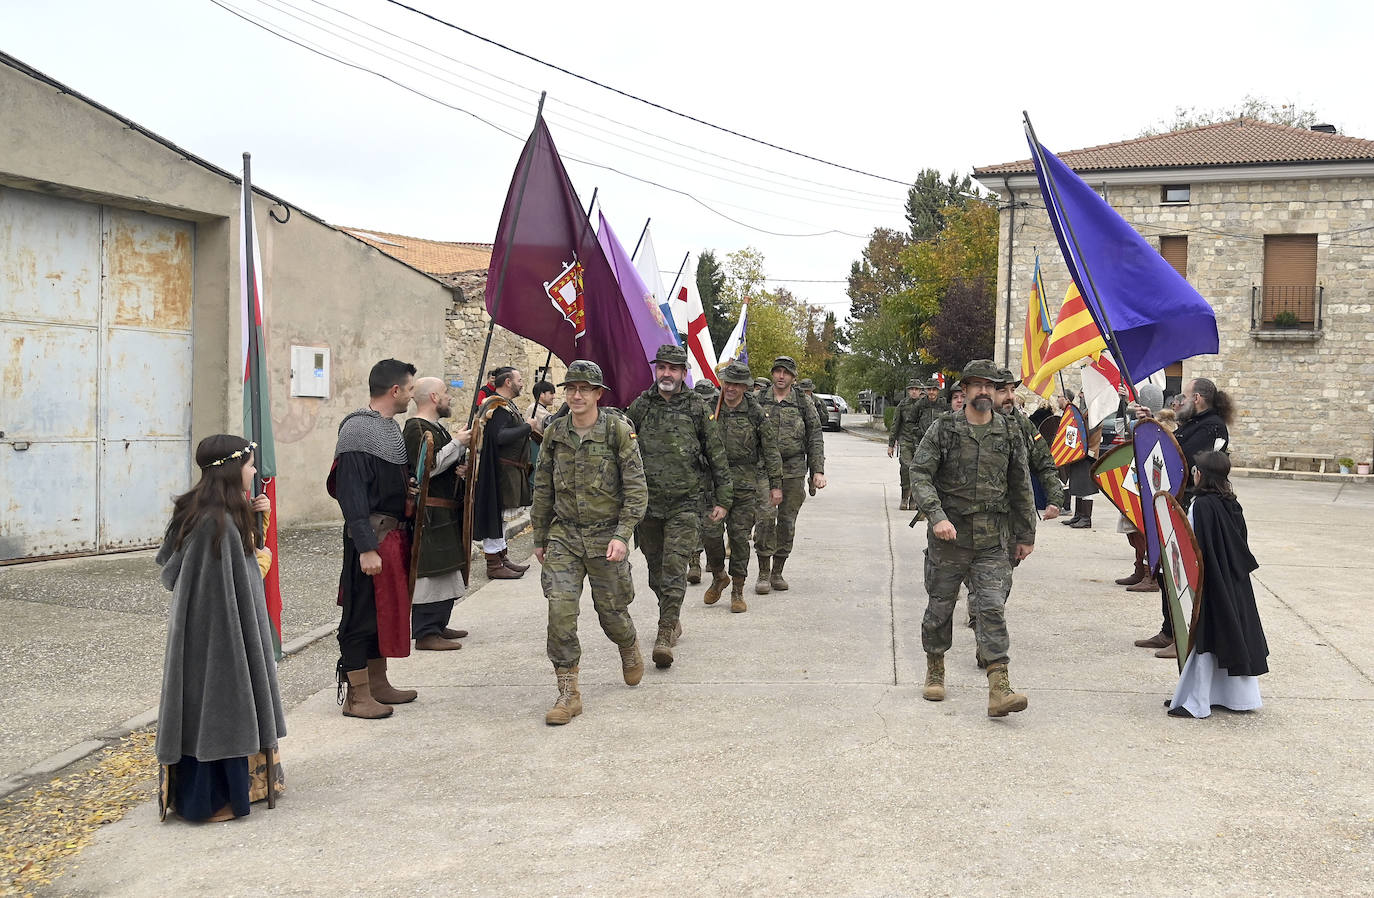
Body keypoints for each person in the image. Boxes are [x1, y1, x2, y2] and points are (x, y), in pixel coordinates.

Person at [155, 435, 286, 822]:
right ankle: (210, 799)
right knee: (219, 704)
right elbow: (225, 589)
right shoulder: (218, 524)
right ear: (231, 470)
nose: (254, 472)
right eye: (249, 466)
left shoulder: (205, 511)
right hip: (219, 634)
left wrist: (252, 519)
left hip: (209, 632)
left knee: (208, 702)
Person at [910, 360, 1036, 717]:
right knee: (940, 607)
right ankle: (935, 667)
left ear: (997, 392)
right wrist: (936, 516)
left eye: (990, 386)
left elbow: (1020, 484)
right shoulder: (944, 429)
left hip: (993, 539)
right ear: (963, 390)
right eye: (976, 385)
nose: (983, 391)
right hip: (949, 538)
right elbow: (920, 473)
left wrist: (1026, 533)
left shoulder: (1009, 432)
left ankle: (1000, 687)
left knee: (991, 606)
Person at [533, 361, 648, 725]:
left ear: (599, 393)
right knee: (559, 611)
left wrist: (622, 535)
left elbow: (636, 489)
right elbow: (543, 486)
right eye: (571, 389)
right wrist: (539, 536)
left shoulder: (616, 431)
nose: (576, 395)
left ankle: (628, 646)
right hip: (564, 535)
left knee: (611, 613)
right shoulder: (555, 433)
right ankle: (569, 692)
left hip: (605, 536)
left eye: (584, 389)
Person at [627, 345, 732, 668]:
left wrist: (723, 498)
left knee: (675, 570)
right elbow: (623, 449)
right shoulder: (641, 406)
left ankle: (663, 632)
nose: (667, 373)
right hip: (648, 505)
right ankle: (671, 616)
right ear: (656, 370)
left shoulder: (697, 407)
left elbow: (715, 452)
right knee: (655, 573)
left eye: (673, 368)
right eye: (662, 368)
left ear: (684, 373)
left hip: (687, 503)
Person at [329, 359, 419, 719]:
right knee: (360, 616)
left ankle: (378, 683)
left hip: (390, 538)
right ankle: (357, 696)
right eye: (411, 389)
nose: (412, 396)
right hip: (370, 540)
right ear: (394, 390)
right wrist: (366, 547)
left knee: (381, 615)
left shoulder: (388, 429)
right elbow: (351, 495)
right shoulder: (357, 433)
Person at [1136, 377, 1234, 656]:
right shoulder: (1195, 424)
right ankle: (1169, 631)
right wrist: (1152, 423)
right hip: (1177, 503)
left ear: (1198, 398)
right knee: (1170, 570)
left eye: (1185, 395)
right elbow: (1172, 447)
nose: (1179, 401)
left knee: (1186, 572)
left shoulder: (1212, 426)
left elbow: (1184, 460)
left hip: (1198, 506)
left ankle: (1185, 639)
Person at [1167, 451, 1268, 718]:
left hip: (1212, 581)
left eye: (1196, 469)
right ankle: (1237, 698)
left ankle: (1197, 702)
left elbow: (1193, 547)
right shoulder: (1232, 503)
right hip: (1234, 579)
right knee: (1231, 633)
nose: (1194, 473)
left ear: (1202, 475)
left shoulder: (1201, 505)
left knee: (1208, 637)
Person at [705, 362, 783, 613]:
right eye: (727, 382)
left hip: (744, 482)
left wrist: (775, 485)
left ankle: (737, 589)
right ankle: (719, 575)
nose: (731, 388)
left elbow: (770, 450)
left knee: (739, 538)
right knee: (709, 533)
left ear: (744, 387)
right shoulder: (709, 408)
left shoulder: (755, 412)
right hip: (713, 482)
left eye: (736, 384)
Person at [404, 376, 472, 652]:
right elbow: (427, 468)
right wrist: (457, 444)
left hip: (444, 511)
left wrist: (460, 467)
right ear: (433, 397)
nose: (449, 398)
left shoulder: (436, 427)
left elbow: (443, 464)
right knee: (430, 572)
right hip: (429, 514)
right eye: (445, 393)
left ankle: (439, 624)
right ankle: (425, 631)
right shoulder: (415, 428)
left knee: (446, 570)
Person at [754, 356, 826, 593]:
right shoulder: (758, 400)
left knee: (786, 521)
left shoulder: (804, 404)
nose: (781, 376)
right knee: (765, 518)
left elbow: (815, 437)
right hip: (764, 468)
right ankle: (763, 571)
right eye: (777, 372)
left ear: (793, 377)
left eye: (786, 373)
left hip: (794, 469)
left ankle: (777, 571)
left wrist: (818, 470)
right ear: (773, 374)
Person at [473, 367, 533, 580]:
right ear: (508, 382)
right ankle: (494, 564)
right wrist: (527, 427)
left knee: (503, 518)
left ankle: (501, 557)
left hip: (509, 469)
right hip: (499, 471)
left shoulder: (505, 404)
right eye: (519, 379)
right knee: (496, 517)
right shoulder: (496, 405)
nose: (522, 383)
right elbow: (498, 436)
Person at [996, 370, 1063, 519]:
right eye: (1002, 391)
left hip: (1015, 515)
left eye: (1012, 390)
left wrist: (1054, 498)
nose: (1010, 396)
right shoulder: (977, 423)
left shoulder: (1024, 425)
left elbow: (1044, 463)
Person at [687, 378, 722, 585]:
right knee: (694, 518)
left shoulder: (719, 412)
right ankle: (694, 564)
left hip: (715, 473)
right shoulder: (688, 412)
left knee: (713, 519)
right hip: (694, 473)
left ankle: (712, 558)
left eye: (709, 399)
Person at [888, 379, 924, 510]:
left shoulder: (924, 405)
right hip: (906, 440)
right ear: (908, 391)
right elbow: (895, 424)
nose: (914, 391)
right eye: (912, 389)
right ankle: (905, 496)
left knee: (918, 470)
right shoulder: (902, 405)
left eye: (917, 389)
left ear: (920, 391)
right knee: (905, 467)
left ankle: (914, 499)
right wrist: (891, 444)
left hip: (921, 442)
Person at [526, 379, 556, 493]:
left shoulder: (540, 408)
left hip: (538, 446)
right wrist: (566, 406)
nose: (553, 396)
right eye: (551, 393)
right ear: (542, 394)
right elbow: (551, 423)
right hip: (534, 445)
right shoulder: (534, 407)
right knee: (537, 479)